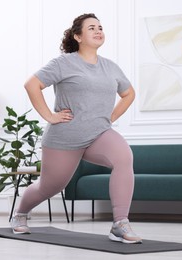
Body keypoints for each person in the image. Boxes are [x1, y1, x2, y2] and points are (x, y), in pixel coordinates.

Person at [12, 13, 142, 244]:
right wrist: (49, 116)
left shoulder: (110, 67)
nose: (98, 31)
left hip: (99, 134)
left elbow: (128, 93)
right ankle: (20, 214)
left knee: (124, 157)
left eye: (100, 27)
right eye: (91, 28)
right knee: (50, 186)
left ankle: (120, 223)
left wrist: (109, 117)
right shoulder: (63, 63)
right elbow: (32, 84)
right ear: (78, 36)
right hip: (65, 137)